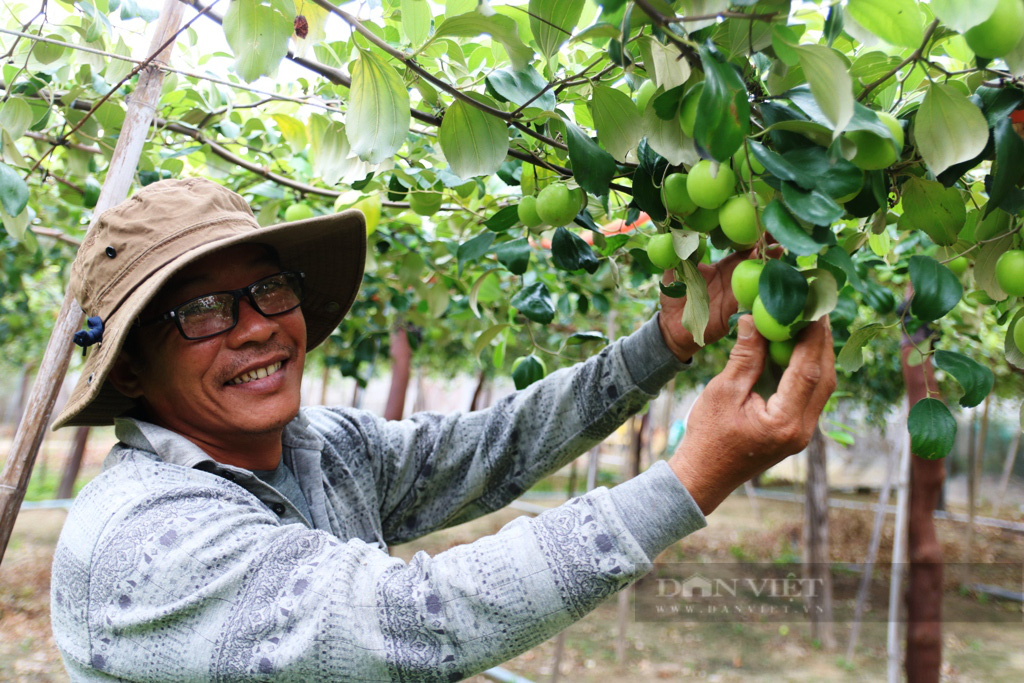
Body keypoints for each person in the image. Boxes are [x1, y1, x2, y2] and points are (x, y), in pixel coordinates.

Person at [49, 178, 835, 681]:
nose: (256, 327)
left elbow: (496, 446)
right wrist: (690, 477)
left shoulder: (325, 450)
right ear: (125, 368)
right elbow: (412, 619)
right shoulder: (137, 538)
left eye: (268, 289)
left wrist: (661, 343)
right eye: (204, 310)